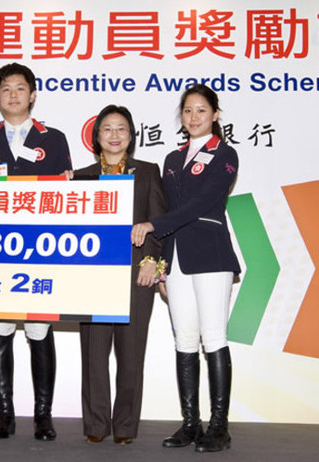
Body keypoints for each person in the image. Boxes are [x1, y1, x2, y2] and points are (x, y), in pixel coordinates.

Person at [131, 84, 240, 453]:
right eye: (188, 111)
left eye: (201, 111)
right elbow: (166, 209)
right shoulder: (173, 160)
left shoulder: (225, 154)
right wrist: (161, 261)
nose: (194, 117)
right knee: (184, 340)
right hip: (176, 260)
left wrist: (153, 227)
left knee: (214, 338)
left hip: (210, 256)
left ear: (215, 115)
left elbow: (202, 203)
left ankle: (220, 426)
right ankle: (191, 423)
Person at [0, 63, 72, 441]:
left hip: (41, 248)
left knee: (39, 327)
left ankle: (43, 415)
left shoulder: (56, 139)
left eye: (20, 88)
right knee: (0, 327)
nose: (13, 94)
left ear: (32, 94)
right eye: (6, 89)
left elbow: (71, 199)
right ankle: (4, 414)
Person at [74, 105, 166, 445]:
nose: (114, 135)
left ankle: (125, 427)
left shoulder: (147, 172)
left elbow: (158, 222)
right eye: (107, 129)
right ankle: (96, 424)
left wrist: (151, 260)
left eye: (121, 129)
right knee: (94, 356)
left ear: (131, 136)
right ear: (96, 137)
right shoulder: (81, 176)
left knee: (131, 356)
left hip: (135, 273)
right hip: (93, 276)